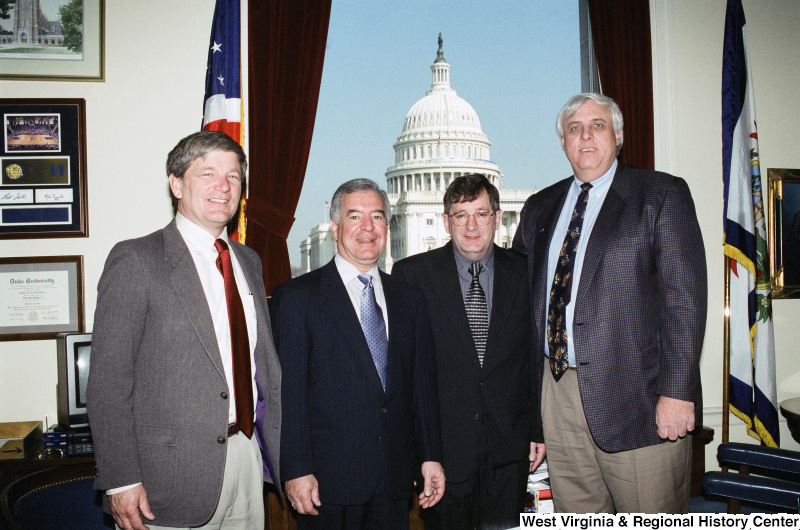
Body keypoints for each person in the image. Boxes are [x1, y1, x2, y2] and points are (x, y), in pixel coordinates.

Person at [512, 93, 707, 514]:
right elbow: (520, 302)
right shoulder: (539, 207)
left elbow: (685, 302)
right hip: (557, 392)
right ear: (563, 142)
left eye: (597, 126)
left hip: (639, 397)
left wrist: (677, 393)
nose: (586, 137)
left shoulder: (660, 195)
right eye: (574, 129)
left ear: (618, 136)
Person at [86, 131, 281, 530]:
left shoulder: (248, 261)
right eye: (207, 173)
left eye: (233, 176)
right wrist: (121, 480)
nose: (223, 186)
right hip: (169, 477)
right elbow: (108, 381)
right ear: (176, 183)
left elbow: (261, 367)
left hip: (246, 460)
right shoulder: (137, 259)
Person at [271, 178, 445, 530]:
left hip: (394, 480)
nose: (368, 227)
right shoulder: (297, 298)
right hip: (325, 482)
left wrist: (430, 458)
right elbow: (288, 395)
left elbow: (421, 389)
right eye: (355, 216)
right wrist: (296, 469)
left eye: (378, 217)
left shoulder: (409, 299)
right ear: (335, 227)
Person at [392, 174, 545, 529]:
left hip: (509, 450)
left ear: (497, 216)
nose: (472, 226)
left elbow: (534, 360)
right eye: (461, 215)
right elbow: (405, 374)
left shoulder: (526, 273)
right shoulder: (412, 276)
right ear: (446, 221)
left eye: (481, 214)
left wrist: (538, 430)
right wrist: (421, 453)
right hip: (443, 453)